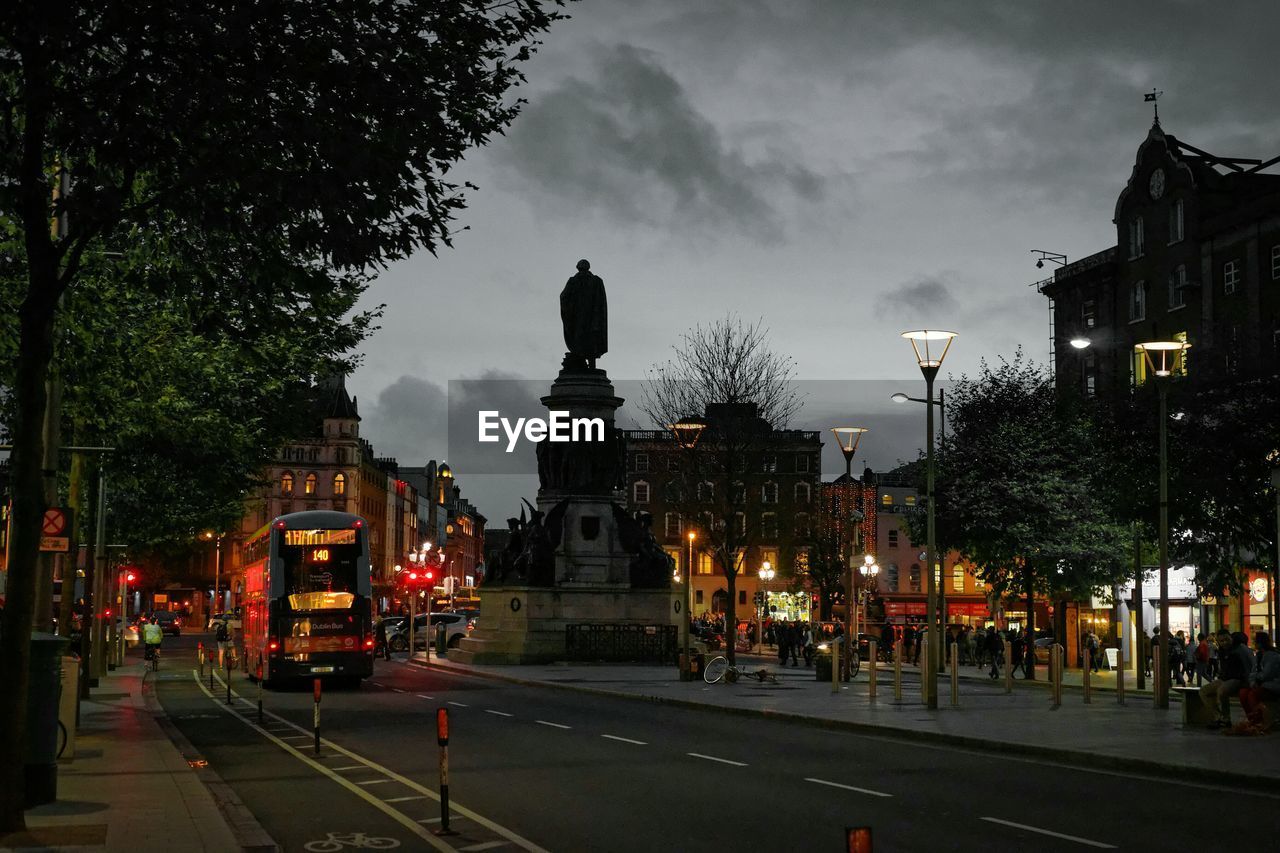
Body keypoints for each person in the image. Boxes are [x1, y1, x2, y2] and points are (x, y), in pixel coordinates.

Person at [1200, 630, 1252, 729]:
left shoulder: (1239, 650)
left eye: (1226, 639)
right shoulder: (1221, 651)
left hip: (1238, 679)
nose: (1224, 642)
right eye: (1221, 641)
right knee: (1203, 691)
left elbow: (1248, 667)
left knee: (1222, 690)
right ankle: (1218, 716)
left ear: (1231, 638)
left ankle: (1225, 718)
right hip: (1225, 678)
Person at [1232, 632, 1279, 734]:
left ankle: (1259, 721)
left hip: (1272, 685)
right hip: (1261, 684)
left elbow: (1267, 673)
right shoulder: (1258, 655)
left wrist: (1256, 679)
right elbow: (1253, 672)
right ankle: (1252, 719)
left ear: (1260, 643)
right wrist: (1253, 681)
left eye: (1255, 641)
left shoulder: (1273, 656)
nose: (1253, 643)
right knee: (1243, 693)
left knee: (1252, 695)